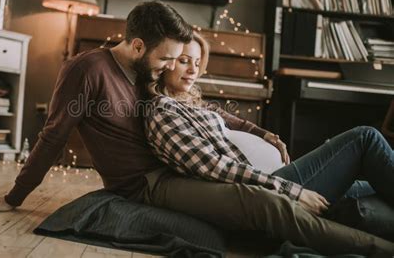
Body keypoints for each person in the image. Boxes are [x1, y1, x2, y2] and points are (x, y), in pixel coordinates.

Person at [0, 1, 394, 255]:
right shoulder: (87, 71)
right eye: (169, 57)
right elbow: (54, 135)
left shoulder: (145, 71)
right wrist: (14, 197)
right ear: (136, 45)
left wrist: (259, 132)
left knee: (354, 178)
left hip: (178, 164)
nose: (178, 66)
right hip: (149, 181)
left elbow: (196, 108)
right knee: (262, 201)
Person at [143, 32, 394, 251]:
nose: (193, 70)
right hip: (269, 193)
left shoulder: (189, 103)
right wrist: (294, 191)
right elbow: (215, 167)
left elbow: (227, 118)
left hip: (274, 178)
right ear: (166, 63)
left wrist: (264, 135)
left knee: (370, 189)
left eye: (197, 63)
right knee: (365, 137)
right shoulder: (164, 112)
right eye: (184, 61)